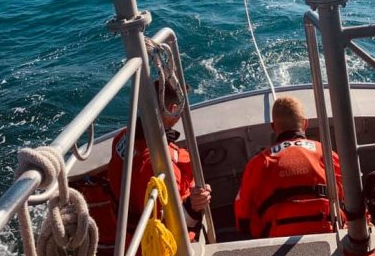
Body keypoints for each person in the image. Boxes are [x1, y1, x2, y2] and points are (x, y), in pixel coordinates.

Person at [108, 81, 211, 238]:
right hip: (154, 245)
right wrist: (193, 206)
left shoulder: (122, 137)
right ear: (173, 109)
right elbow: (173, 226)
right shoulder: (162, 167)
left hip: (127, 224)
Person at [234, 95, 345, 239]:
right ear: (305, 124)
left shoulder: (258, 163)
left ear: (273, 127)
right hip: (329, 232)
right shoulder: (328, 154)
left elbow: (242, 217)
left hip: (277, 239)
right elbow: (351, 197)